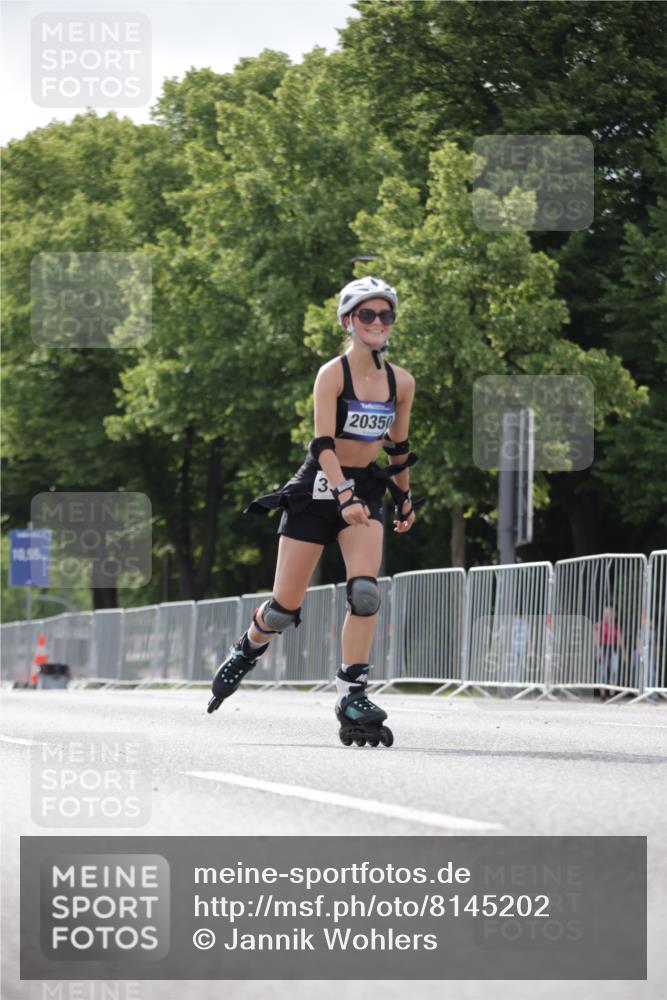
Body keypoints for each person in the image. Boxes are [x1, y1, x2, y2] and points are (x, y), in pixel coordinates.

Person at [207, 276, 421, 746]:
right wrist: (341, 493)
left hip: (364, 486)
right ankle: (247, 648)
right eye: (367, 314)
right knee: (284, 609)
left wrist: (404, 497)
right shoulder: (332, 374)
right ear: (349, 321)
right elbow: (322, 443)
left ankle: (352, 692)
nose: (378, 322)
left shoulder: (400, 382)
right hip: (319, 486)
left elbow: (398, 449)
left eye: (385, 314)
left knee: (365, 593)